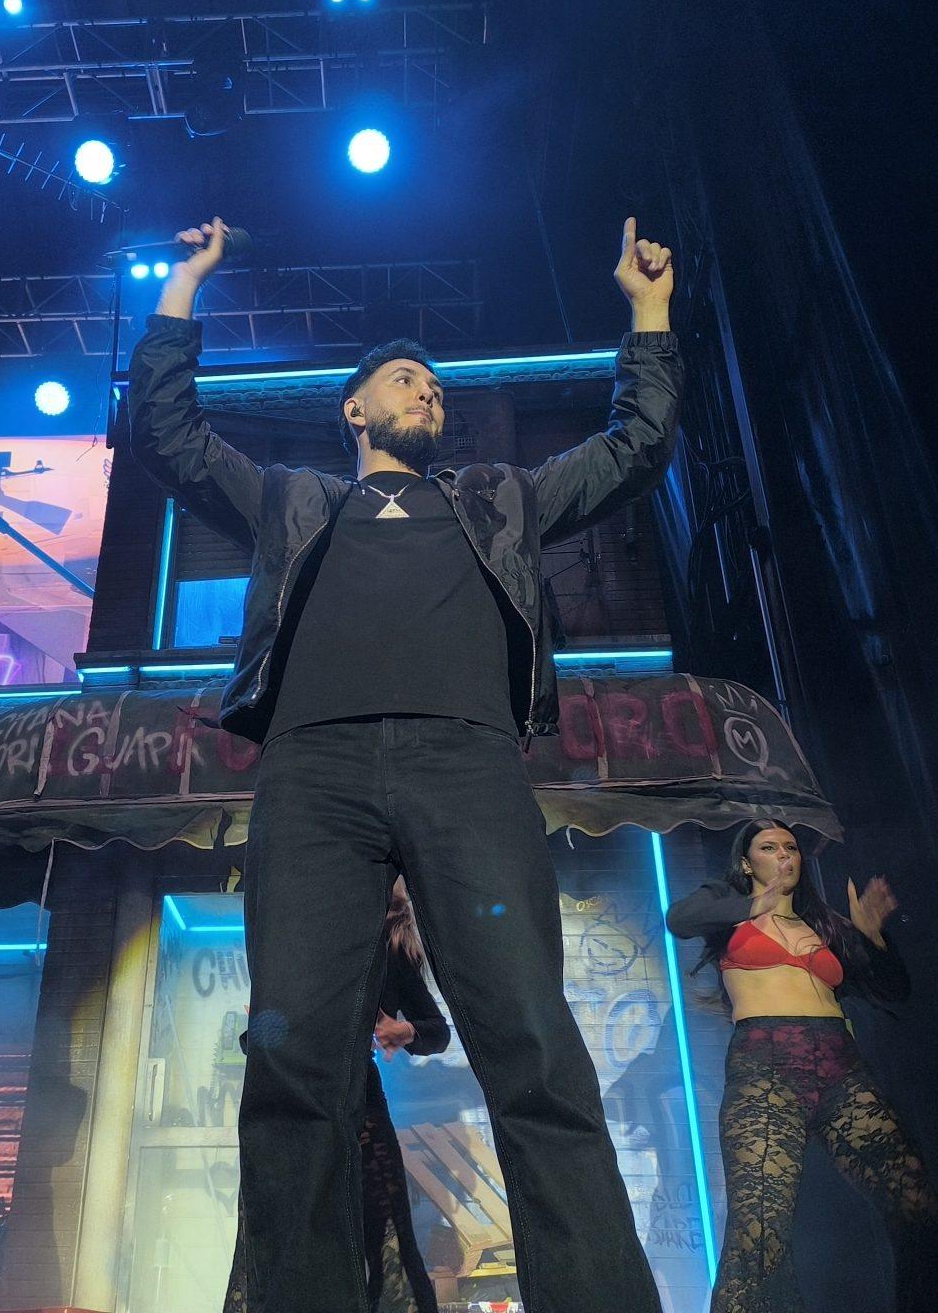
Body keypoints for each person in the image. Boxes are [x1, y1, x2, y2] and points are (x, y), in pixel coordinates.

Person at [129, 215, 682, 1313]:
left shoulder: (501, 500)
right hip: (313, 776)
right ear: (354, 409)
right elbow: (169, 434)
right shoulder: (294, 500)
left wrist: (650, 311)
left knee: (533, 1044)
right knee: (294, 1064)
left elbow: (635, 447)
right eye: (403, 379)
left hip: (466, 768)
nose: (427, 389)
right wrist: (182, 288)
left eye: (434, 384)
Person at [665, 821, 938, 1313]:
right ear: (747, 862)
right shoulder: (729, 906)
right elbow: (680, 919)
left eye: (791, 848)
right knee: (759, 1231)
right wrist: (754, 904)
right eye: (769, 848)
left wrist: (873, 939)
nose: (784, 856)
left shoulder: (824, 926)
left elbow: (894, 990)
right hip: (765, 1067)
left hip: (839, 1065)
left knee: (915, 1204)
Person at [226, 878, 450, 1313]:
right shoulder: (304, 934)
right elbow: (261, 1038)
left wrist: (404, 1030)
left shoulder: (392, 947)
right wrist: (266, 1028)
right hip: (292, 1099)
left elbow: (436, 1031)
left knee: (378, 1238)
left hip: (356, 1102)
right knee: (281, 1233)